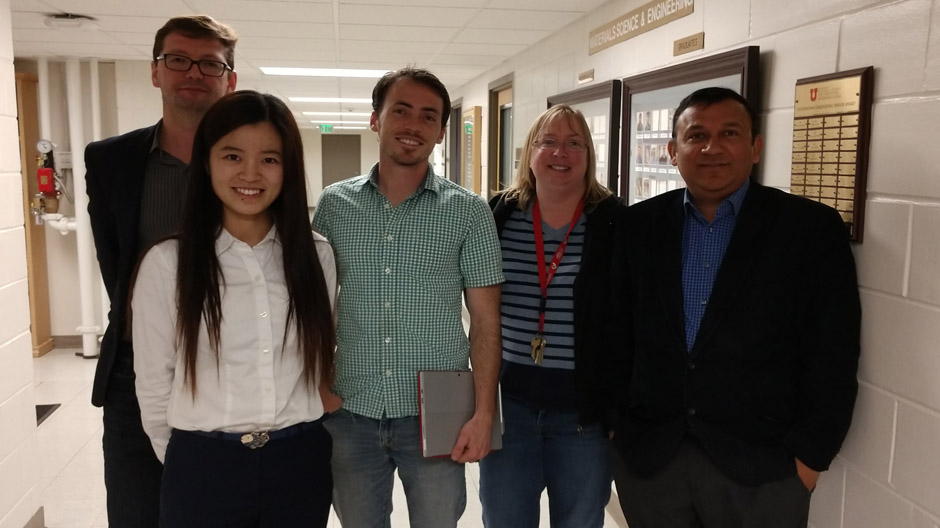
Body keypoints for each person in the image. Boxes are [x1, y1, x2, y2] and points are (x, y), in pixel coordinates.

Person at [605, 87, 861, 528]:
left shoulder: (809, 230)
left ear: (756, 147)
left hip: (765, 469)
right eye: (696, 135)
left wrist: (810, 458)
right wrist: (617, 429)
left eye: (729, 133)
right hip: (652, 461)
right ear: (672, 150)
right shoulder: (636, 227)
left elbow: (834, 351)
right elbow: (614, 333)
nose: (712, 147)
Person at [131, 90, 336, 527]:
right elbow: (153, 382)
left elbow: (320, 358)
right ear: (206, 162)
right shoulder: (168, 263)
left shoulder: (316, 256)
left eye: (269, 159)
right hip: (204, 466)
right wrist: (189, 464)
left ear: (288, 168)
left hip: (299, 461)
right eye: (231, 156)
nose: (250, 173)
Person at [312, 66, 504, 528]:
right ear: (376, 119)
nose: (412, 125)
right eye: (400, 111)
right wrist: (319, 389)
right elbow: (315, 308)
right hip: (351, 409)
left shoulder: (469, 212)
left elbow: (485, 322)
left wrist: (482, 415)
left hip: (438, 413)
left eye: (428, 116)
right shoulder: (334, 205)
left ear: (441, 132)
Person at [85, 14, 237, 526]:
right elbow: (116, 268)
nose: (193, 72)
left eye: (210, 64)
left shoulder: (250, 163)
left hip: (226, 368)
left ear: (229, 79)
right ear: (156, 72)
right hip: (134, 371)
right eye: (178, 60)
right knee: (138, 511)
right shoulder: (111, 161)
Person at [481, 105, 623, 528]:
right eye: (549, 141)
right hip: (510, 408)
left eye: (573, 142)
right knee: (505, 519)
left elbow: (628, 321)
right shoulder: (500, 214)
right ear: (530, 153)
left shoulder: (614, 221)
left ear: (588, 155)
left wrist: (618, 411)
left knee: (580, 521)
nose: (560, 152)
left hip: (582, 414)